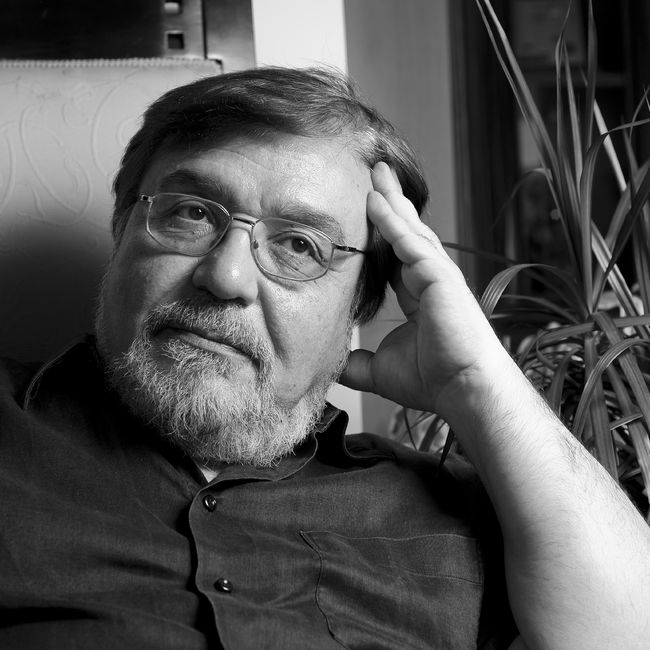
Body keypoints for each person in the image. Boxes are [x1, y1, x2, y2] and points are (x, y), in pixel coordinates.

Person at [0, 66, 649, 650]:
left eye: (299, 246)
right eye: (192, 214)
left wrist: (476, 381)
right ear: (122, 228)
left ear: (358, 306)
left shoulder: (458, 510)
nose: (226, 277)